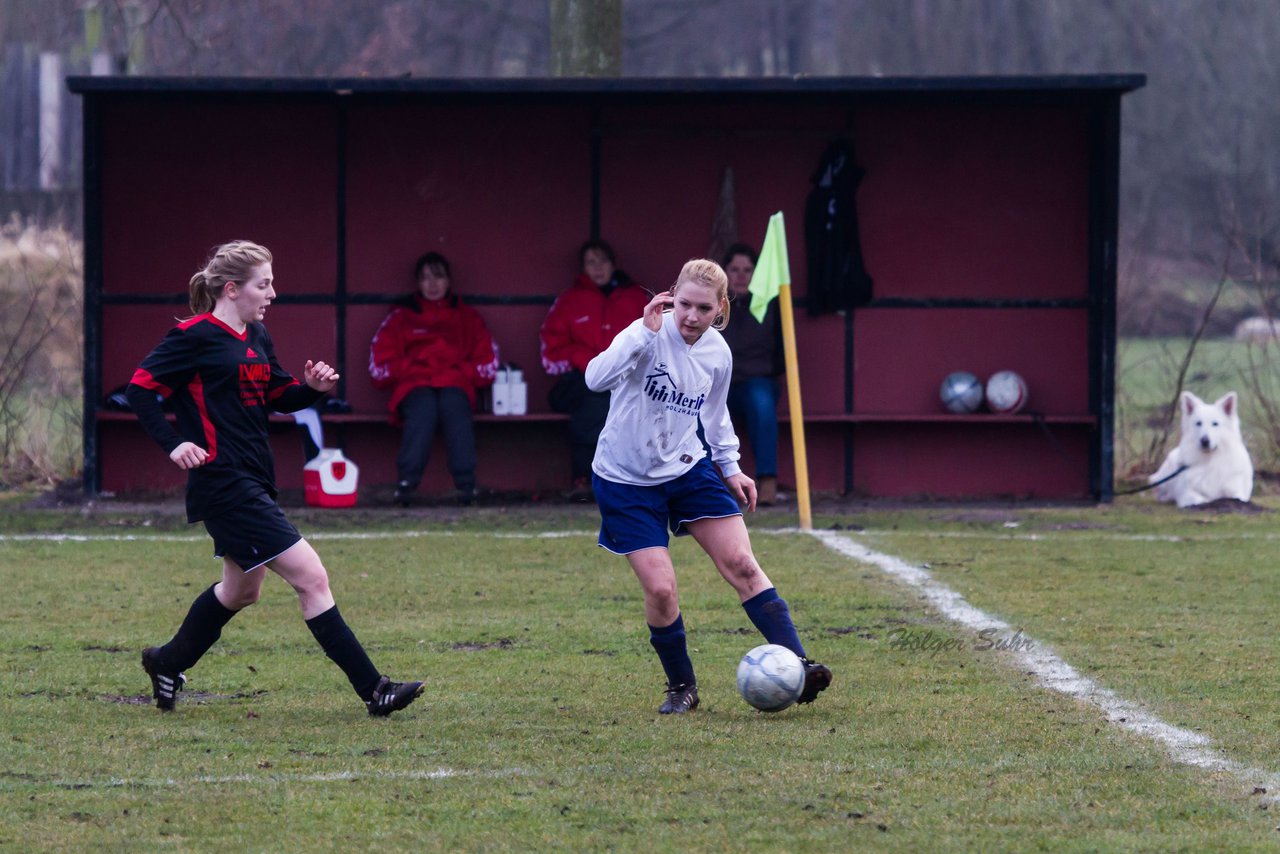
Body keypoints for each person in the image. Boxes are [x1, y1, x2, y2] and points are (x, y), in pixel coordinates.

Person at [127, 240, 423, 717]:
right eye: (263, 284)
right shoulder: (194, 336)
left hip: (254, 477)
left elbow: (279, 395)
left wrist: (313, 389)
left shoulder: (256, 335)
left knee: (243, 590)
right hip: (222, 482)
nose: (273, 293)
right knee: (312, 577)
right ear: (231, 289)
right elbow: (139, 390)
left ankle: (167, 661)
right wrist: (174, 442)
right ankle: (376, 690)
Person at [584, 258, 832, 714]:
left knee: (741, 563)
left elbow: (714, 415)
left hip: (687, 470)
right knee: (661, 590)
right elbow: (594, 378)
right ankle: (682, 687)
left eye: (702, 308)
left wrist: (731, 466)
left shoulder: (718, 351)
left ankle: (796, 667)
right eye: (682, 304)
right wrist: (642, 333)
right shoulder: (644, 334)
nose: (690, 316)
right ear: (670, 296)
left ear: (720, 308)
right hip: (625, 479)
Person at [369, 252, 499, 506]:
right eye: (425, 278)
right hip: (415, 385)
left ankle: (466, 486)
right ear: (417, 283)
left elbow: (487, 365)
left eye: (438, 276)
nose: (432, 284)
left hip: (454, 384)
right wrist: (412, 368)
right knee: (424, 407)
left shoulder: (467, 318)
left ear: (449, 281)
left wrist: (458, 372)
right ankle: (406, 486)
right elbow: (378, 367)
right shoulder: (400, 318)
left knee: (454, 404)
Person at [540, 239, 648, 501]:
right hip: (581, 381)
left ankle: (621, 481)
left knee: (618, 401)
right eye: (591, 262)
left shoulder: (636, 298)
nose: (597, 268)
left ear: (613, 264)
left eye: (602, 261)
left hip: (629, 381)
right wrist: (586, 361)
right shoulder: (569, 301)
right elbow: (549, 352)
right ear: (583, 268)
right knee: (594, 399)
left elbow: (654, 341)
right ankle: (585, 479)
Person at [718, 243, 785, 505]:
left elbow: (782, 352)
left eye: (748, 270)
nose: (741, 275)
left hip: (757, 382)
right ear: (724, 273)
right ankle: (705, 483)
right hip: (719, 384)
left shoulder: (770, 305)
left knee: (761, 402)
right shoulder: (712, 304)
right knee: (695, 407)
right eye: (734, 269)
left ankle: (767, 481)